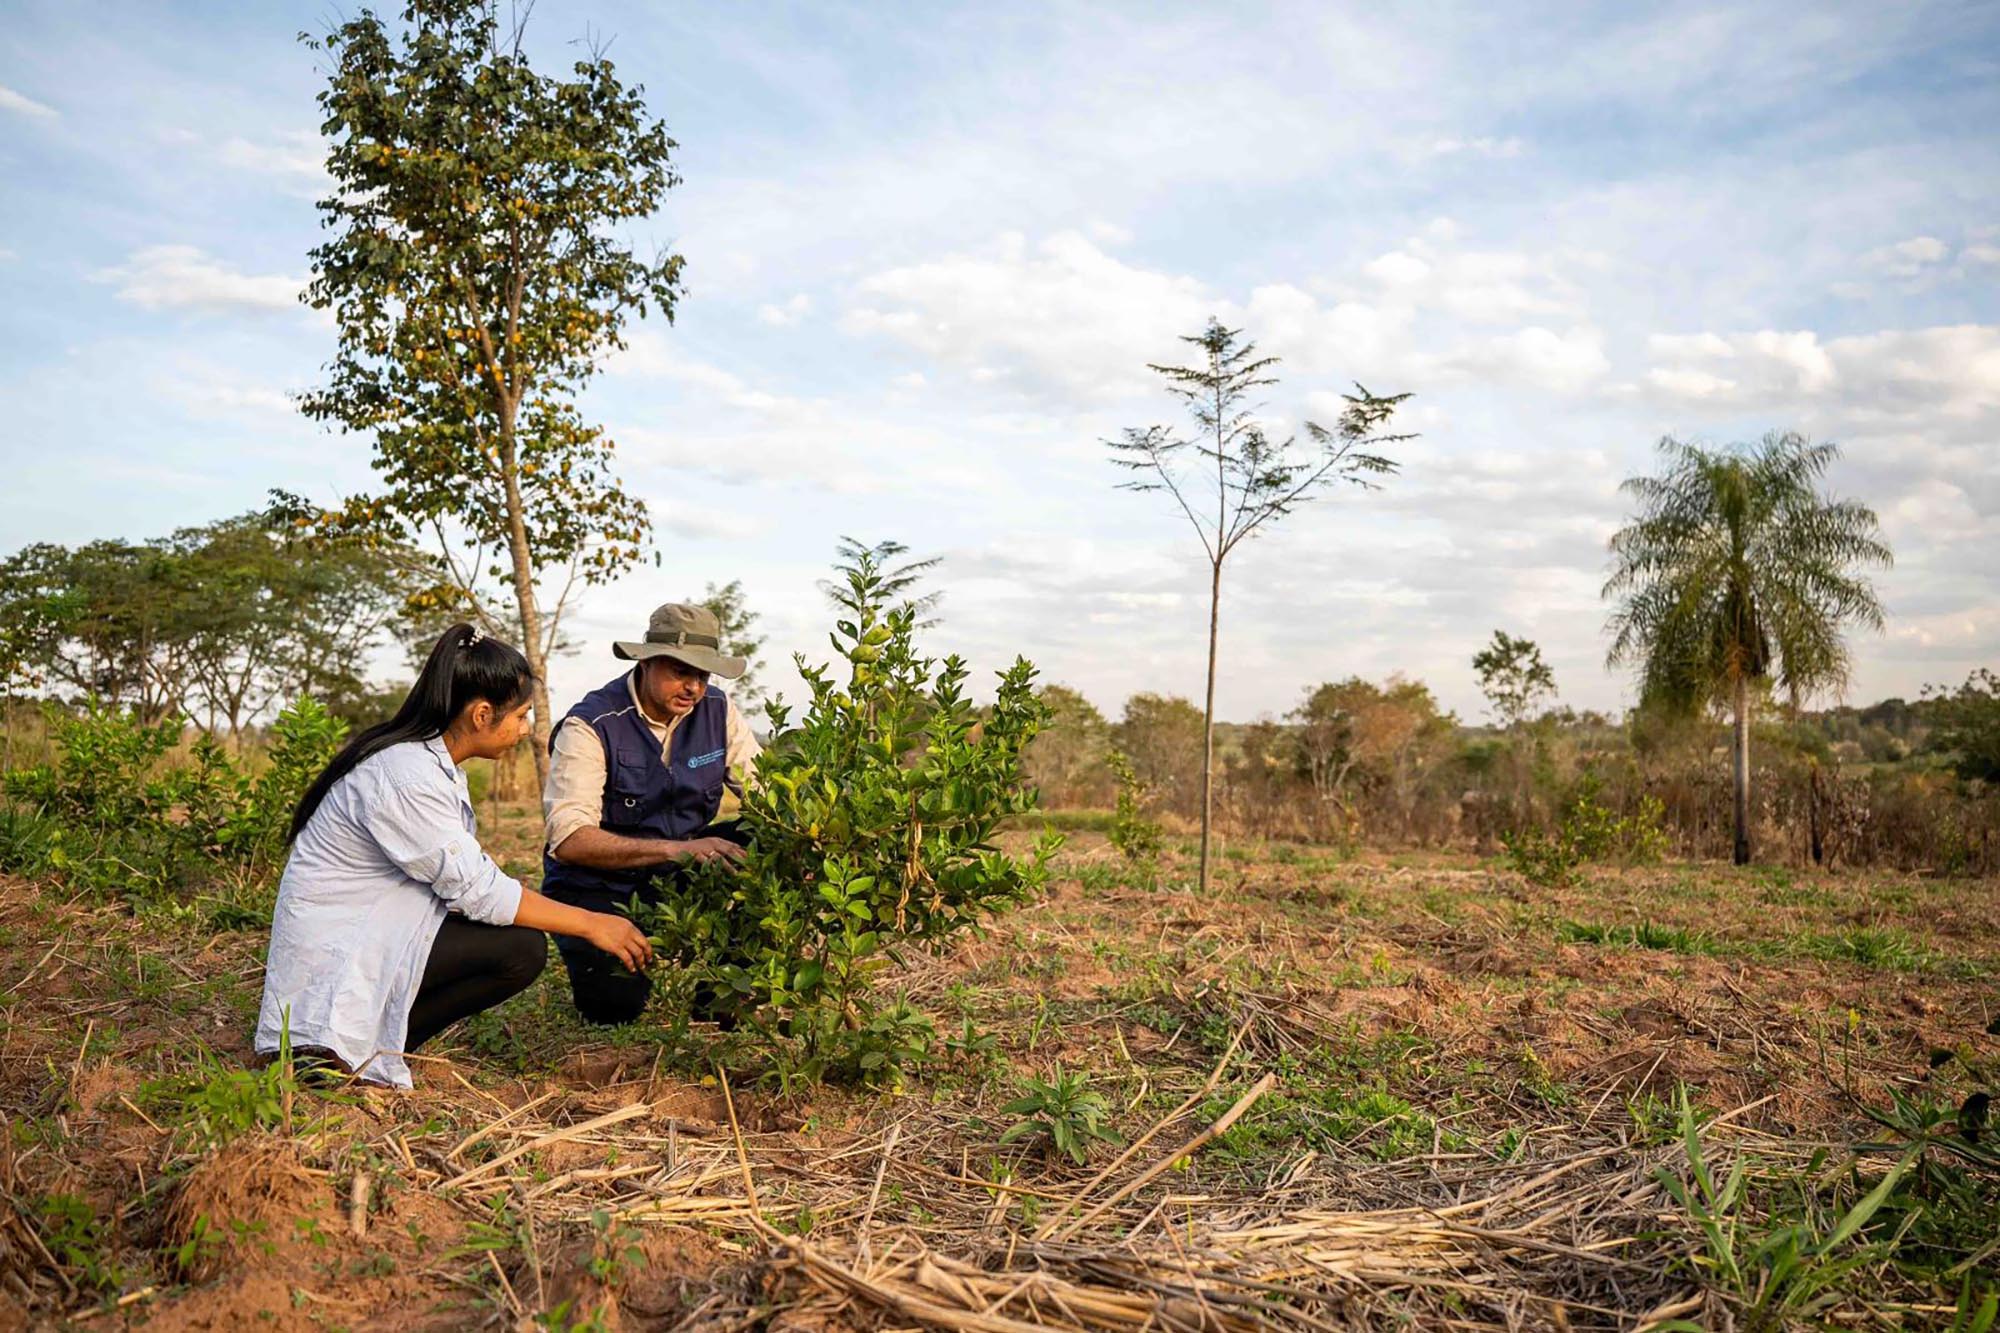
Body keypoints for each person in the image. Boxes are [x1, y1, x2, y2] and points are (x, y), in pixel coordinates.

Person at [254, 625, 653, 1087]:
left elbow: (468, 881)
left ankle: (377, 1045)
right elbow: (478, 891)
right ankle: (324, 1051)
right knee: (518, 948)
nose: (525, 731)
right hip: (346, 948)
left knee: (517, 947)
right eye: (521, 716)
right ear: (482, 714)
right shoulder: (406, 777)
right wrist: (592, 923)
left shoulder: (429, 764)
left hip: (384, 930)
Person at [541, 602, 761, 1024]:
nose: (693, 686)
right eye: (680, 671)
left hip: (677, 873)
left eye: (702, 674)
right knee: (615, 1008)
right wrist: (678, 850)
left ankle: (724, 996)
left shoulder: (718, 710)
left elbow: (768, 794)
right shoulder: (591, 725)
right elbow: (569, 841)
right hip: (598, 887)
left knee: (766, 839)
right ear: (646, 663)